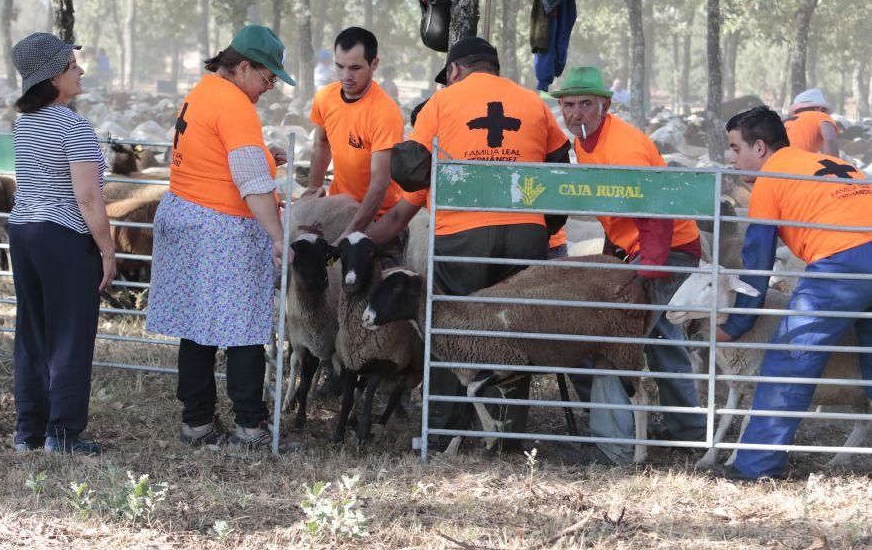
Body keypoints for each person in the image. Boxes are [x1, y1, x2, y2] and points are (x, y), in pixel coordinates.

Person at [368, 36, 572, 451]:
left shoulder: (443, 102)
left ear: (456, 71)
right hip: (525, 231)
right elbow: (559, 169)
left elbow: (408, 164)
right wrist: (542, 228)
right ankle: (508, 434)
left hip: (461, 234)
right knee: (515, 329)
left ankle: (446, 431)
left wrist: (435, 180)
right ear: (494, 68)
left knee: (447, 326)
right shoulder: (533, 102)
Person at [146, 25, 295, 451]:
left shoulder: (203, 91)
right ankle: (250, 427)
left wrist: (266, 154)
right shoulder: (235, 106)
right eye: (267, 78)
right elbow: (250, 181)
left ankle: (197, 423)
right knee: (245, 327)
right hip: (221, 227)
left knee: (196, 327)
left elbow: (215, 154)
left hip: (185, 214)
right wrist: (277, 235)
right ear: (243, 66)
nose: (269, 88)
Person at [550, 66, 705, 464]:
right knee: (664, 339)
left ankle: (614, 447)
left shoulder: (624, 147)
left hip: (667, 248)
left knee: (612, 336)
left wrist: (642, 275)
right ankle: (688, 431)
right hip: (643, 249)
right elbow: (617, 214)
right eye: (569, 105)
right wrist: (615, 259)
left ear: (605, 105)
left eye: (586, 104)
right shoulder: (584, 143)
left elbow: (655, 217)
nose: (576, 113)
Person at [718, 106, 872, 480]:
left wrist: (736, 325)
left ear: (759, 147)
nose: (733, 159)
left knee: (791, 355)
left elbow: (756, 265)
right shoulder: (827, 161)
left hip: (843, 263)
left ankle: (755, 467)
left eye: (736, 150)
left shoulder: (771, 179)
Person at [9, 32, 116, 455]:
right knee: (70, 332)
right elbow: (88, 197)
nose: (81, 70)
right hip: (64, 235)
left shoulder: (24, 125)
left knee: (32, 331)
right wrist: (108, 249)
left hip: (24, 231)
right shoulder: (73, 126)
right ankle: (64, 434)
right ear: (55, 77)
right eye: (73, 66)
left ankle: (28, 432)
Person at [304, 27, 405, 256]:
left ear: (374, 64)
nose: (346, 76)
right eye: (340, 66)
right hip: (338, 209)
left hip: (378, 218)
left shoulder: (384, 112)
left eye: (355, 68)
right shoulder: (325, 98)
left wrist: (350, 233)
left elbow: (380, 183)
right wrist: (313, 187)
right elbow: (321, 142)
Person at [784, 88, 838, 156]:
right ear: (819, 109)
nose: (825, 114)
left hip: (779, 162)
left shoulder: (786, 122)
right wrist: (834, 163)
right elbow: (830, 139)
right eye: (824, 110)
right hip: (801, 162)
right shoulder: (820, 115)